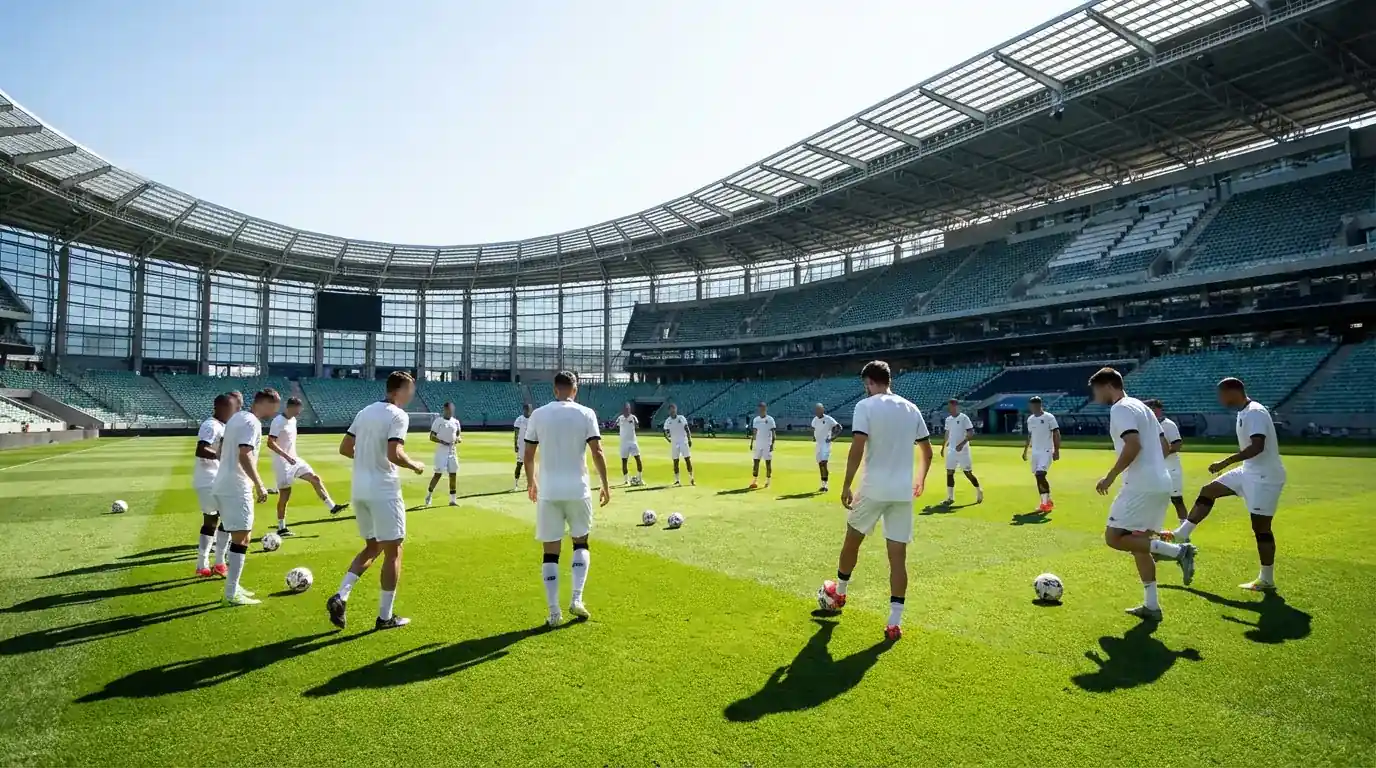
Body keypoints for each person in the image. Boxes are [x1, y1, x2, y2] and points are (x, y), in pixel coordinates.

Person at [818, 361, 932, 641]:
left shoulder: (865, 407)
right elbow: (927, 451)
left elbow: (857, 447)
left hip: (873, 489)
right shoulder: (911, 408)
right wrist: (921, 479)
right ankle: (894, 623)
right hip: (902, 492)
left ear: (869, 382)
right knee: (898, 559)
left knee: (851, 542)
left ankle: (840, 594)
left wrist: (846, 484)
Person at [1089, 368, 1196, 621]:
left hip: (1141, 485)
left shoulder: (1121, 408)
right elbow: (1164, 446)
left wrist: (1111, 475)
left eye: (1095, 390)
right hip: (1161, 482)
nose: (1094, 396)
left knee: (1114, 537)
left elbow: (1133, 444)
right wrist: (1154, 467)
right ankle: (1152, 606)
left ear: (1107, 386)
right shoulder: (1143, 407)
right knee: (1140, 545)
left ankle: (1178, 552)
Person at [328, 371, 425, 631]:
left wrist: (367, 458)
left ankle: (342, 595)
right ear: (398, 391)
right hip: (383, 490)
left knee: (372, 547)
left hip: (359, 489)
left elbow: (345, 448)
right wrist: (414, 464)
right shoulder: (398, 415)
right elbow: (395, 453)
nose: (412, 394)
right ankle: (385, 617)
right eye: (410, 389)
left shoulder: (365, 411)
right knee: (394, 551)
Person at [1168, 378, 1286, 592]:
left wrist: (1225, 461)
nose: (1219, 399)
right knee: (1209, 491)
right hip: (1249, 471)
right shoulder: (1243, 412)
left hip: (1265, 477)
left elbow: (1257, 447)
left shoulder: (1255, 412)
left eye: (1221, 394)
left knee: (1261, 528)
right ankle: (1183, 533)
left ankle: (1267, 579)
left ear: (1233, 392)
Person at [523, 371, 611, 627]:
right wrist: (605, 485)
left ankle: (553, 613)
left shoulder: (539, 414)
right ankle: (577, 599)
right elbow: (597, 451)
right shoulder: (586, 413)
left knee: (550, 553)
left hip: (549, 492)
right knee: (580, 542)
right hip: (578, 489)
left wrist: (531, 482)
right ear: (576, 389)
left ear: (554, 389)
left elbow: (528, 455)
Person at [213, 388, 280, 607]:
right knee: (242, 538)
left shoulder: (236, 418)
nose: (275, 412)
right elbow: (245, 453)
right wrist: (260, 484)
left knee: (237, 534)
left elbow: (221, 449)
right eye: (274, 407)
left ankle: (234, 587)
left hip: (224, 482)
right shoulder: (252, 422)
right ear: (267, 403)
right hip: (236, 485)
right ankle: (231, 594)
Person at [267, 397, 348, 536]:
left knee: (315, 478)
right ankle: (281, 528)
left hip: (295, 460)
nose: (299, 413)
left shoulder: (293, 420)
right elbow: (270, 442)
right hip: (283, 463)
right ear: (290, 407)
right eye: (297, 410)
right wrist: (286, 456)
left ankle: (332, 507)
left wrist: (291, 456)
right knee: (285, 495)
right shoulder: (278, 422)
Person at [193, 394, 234, 578]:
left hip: (209, 480)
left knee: (211, 521)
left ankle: (203, 564)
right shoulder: (211, 425)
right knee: (226, 519)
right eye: (230, 409)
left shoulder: (221, 425)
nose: (232, 412)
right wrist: (221, 456)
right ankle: (219, 562)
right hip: (211, 480)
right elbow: (201, 449)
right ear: (220, 408)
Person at [1146, 399, 1188, 522]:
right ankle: (1148, 528)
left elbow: (1177, 444)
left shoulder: (1168, 425)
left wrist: (1161, 454)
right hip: (1155, 469)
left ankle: (1183, 529)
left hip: (1171, 468)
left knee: (1177, 499)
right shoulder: (1148, 426)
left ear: (1157, 409)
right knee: (1151, 499)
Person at [1021, 396, 1061, 512]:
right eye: (1031, 406)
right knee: (1038, 477)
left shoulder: (1049, 417)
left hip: (1046, 451)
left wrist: (1057, 450)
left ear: (1039, 405)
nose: (1032, 408)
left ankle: (1045, 503)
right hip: (1035, 452)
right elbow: (1029, 436)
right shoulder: (1030, 419)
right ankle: (1046, 501)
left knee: (1040, 474)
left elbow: (1056, 433)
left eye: (1034, 405)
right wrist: (1025, 451)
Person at [941, 400, 982, 505]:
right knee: (949, 472)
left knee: (968, 473)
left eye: (951, 407)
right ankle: (950, 497)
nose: (950, 409)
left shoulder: (964, 418)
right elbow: (947, 433)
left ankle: (979, 490)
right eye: (949, 407)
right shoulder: (948, 419)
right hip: (951, 450)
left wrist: (962, 444)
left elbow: (971, 432)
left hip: (963, 451)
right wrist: (943, 447)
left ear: (956, 407)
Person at [425, 402, 462, 507]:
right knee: (438, 474)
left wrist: (458, 439)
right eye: (449, 410)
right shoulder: (438, 421)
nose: (450, 412)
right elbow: (431, 436)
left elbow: (458, 435)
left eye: (452, 410)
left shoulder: (456, 422)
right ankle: (429, 494)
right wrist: (442, 442)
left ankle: (452, 500)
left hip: (453, 451)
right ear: (445, 410)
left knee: (453, 474)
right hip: (441, 451)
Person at [810, 403, 841, 493]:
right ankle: (823, 484)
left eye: (819, 409)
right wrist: (814, 436)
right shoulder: (815, 420)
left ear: (823, 410)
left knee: (824, 463)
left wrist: (833, 437)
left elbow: (839, 427)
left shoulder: (828, 419)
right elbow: (814, 428)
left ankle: (826, 485)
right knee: (820, 464)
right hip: (818, 445)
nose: (818, 411)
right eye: (816, 410)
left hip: (825, 445)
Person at [662, 402, 694, 486]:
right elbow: (664, 431)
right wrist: (668, 439)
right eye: (671, 410)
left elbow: (687, 429)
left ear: (676, 410)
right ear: (669, 411)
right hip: (674, 443)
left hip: (683, 441)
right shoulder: (668, 421)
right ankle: (677, 480)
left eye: (673, 409)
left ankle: (691, 478)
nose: (672, 411)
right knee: (675, 461)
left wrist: (689, 439)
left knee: (687, 459)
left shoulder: (681, 418)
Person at [749, 402, 776, 489]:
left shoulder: (770, 419)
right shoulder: (756, 420)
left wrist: (772, 444)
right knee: (756, 462)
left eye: (763, 408)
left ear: (765, 409)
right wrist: (752, 442)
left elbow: (773, 433)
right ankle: (754, 480)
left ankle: (768, 480)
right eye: (760, 408)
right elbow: (754, 432)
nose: (762, 410)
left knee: (768, 462)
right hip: (758, 444)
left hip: (767, 444)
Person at [615, 403, 643, 486]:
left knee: (638, 459)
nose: (626, 410)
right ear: (623, 409)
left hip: (633, 442)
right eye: (625, 408)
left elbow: (638, 426)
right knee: (624, 461)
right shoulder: (620, 418)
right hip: (623, 443)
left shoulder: (633, 417)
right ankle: (625, 480)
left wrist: (634, 424)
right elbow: (615, 426)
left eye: (628, 408)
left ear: (630, 409)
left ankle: (640, 479)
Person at [512, 403, 532, 492]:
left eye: (530, 409)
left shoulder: (533, 419)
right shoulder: (519, 420)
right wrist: (515, 445)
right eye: (527, 409)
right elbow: (516, 434)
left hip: (530, 445)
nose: (529, 411)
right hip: (521, 445)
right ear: (524, 410)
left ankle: (530, 484)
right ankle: (516, 483)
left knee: (530, 465)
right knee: (519, 464)